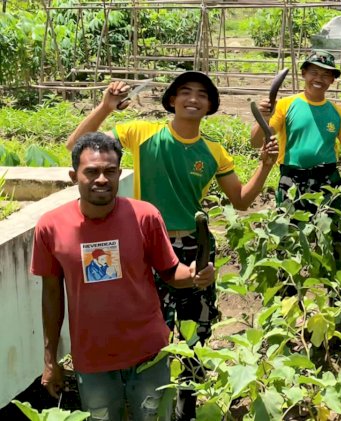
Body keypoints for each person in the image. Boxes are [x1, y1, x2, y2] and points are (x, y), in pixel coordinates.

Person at [66, 71, 278, 420]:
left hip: (195, 246)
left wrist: (265, 165)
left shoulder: (214, 151)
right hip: (146, 244)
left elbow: (241, 200)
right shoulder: (141, 133)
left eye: (202, 95)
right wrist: (105, 107)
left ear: (210, 106)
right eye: (185, 92)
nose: (193, 99)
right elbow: (77, 145)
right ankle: (149, 402)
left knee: (197, 330)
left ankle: (187, 405)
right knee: (151, 330)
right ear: (171, 100)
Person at [31, 133, 216, 421]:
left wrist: (193, 275)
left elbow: (170, 272)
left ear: (119, 173)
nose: (101, 179)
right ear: (73, 176)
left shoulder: (145, 216)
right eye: (91, 171)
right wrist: (50, 360)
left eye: (110, 171)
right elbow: (52, 295)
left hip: (149, 355)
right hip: (93, 359)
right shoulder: (51, 227)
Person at [250, 49, 341, 206]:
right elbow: (256, 142)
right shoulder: (284, 105)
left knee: (329, 222)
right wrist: (264, 118)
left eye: (326, 75)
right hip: (292, 181)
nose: (319, 79)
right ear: (304, 73)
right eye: (314, 72)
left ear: (332, 80)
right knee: (290, 222)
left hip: (328, 182)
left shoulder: (339, 114)